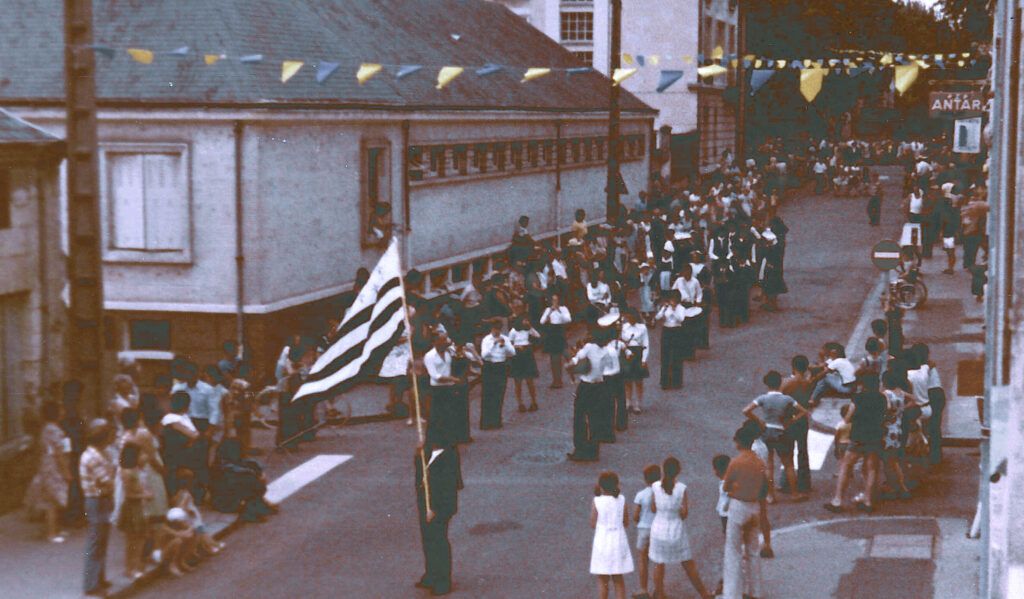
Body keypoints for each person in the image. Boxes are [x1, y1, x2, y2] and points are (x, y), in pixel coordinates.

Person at [648, 456, 712, 599]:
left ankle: (660, 593)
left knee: (658, 564)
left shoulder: (655, 487)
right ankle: (704, 593)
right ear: (678, 471)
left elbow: (653, 508)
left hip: (658, 528)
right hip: (675, 529)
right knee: (687, 563)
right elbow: (684, 514)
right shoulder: (681, 489)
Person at [742, 371, 809, 503]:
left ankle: (770, 496)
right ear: (780, 383)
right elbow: (804, 411)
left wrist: (759, 421)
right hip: (781, 431)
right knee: (788, 464)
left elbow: (746, 410)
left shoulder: (762, 398)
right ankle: (795, 494)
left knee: (769, 466)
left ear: (767, 384)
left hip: (767, 431)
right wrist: (791, 421)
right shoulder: (787, 399)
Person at [825, 376, 886, 513]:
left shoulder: (858, 398)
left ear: (863, 385)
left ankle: (838, 500)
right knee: (871, 469)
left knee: (846, 466)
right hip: (875, 436)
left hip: (858, 436)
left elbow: (848, 418)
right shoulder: (882, 398)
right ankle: (868, 500)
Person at [721, 424, 767, 599]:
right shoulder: (759, 462)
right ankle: (755, 592)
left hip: (739, 506)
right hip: (754, 506)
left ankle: (732, 594)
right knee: (753, 551)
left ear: (739, 442)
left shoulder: (736, 462)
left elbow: (726, 486)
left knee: (733, 551)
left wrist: (734, 489)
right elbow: (764, 487)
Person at [415, 440, 462, 596]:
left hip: (439, 506)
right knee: (428, 538)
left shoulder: (448, 457)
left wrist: (434, 509)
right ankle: (431, 573)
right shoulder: (429, 452)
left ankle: (443, 580)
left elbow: (448, 487)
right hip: (427, 503)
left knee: (438, 540)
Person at [25, 400, 72, 543]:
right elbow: (59, 453)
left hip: (47, 466)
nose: (63, 411)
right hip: (54, 468)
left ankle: (53, 529)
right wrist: (66, 471)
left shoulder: (46, 428)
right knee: (52, 501)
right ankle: (51, 533)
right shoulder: (54, 430)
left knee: (50, 499)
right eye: (61, 409)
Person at [81, 419, 117, 597]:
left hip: (102, 499)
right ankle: (91, 584)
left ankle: (99, 578)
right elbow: (107, 482)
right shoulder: (94, 457)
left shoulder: (101, 453)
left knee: (102, 540)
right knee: (96, 542)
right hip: (97, 500)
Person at [210, 439, 278, 522]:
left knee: (252, 481)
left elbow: (254, 466)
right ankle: (250, 511)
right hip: (226, 502)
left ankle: (257, 504)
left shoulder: (244, 464)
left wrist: (259, 474)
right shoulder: (224, 469)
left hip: (238, 496)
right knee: (250, 483)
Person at [591, 471, 634, 599]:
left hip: (602, 542)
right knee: (618, 579)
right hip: (618, 540)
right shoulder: (622, 500)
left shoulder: (597, 501)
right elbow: (626, 522)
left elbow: (593, 523)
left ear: (601, 486)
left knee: (602, 579)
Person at [567, 333, 609, 462]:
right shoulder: (606, 350)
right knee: (595, 418)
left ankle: (580, 449)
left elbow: (578, 357)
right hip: (600, 386)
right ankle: (593, 451)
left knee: (579, 417)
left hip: (586, 386)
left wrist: (570, 363)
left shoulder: (589, 347)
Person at [117, 443, 152, 580]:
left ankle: (136, 566)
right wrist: (145, 495)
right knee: (132, 540)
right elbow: (129, 494)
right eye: (141, 454)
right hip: (132, 509)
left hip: (140, 507)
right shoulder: (127, 472)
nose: (144, 457)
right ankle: (129, 568)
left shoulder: (137, 470)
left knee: (141, 538)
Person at [780, 355, 814, 492]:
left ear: (793, 367)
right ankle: (804, 483)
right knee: (802, 450)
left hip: (789, 419)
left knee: (788, 453)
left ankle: (787, 482)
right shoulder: (808, 383)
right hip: (802, 419)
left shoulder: (786, 383)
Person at [879, 371, 915, 501]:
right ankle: (897, 486)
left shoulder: (886, 394)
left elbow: (887, 406)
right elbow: (913, 399)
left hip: (888, 430)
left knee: (889, 461)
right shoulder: (900, 392)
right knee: (893, 460)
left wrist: (889, 413)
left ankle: (899, 487)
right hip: (898, 428)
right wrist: (902, 409)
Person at [160, 392, 199, 496]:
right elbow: (192, 435)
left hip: (188, 454)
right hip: (176, 456)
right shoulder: (170, 418)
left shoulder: (185, 417)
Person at [424, 334, 460, 446]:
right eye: (444, 340)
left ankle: (448, 438)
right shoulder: (429, 356)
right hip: (437, 389)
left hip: (449, 387)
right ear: (436, 342)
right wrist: (451, 378)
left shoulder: (449, 353)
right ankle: (433, 439)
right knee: (436, 414)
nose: (447, 342)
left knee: (449, 413)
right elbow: (435, 375)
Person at [479, 320, 515, 430]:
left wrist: (504, 345)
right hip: (489, 367)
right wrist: (494, 344)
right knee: (488, 394)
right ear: (492, 329)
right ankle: (486, 422)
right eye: (495, 329)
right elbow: (484, 355)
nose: (497, 332)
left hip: (501, 366)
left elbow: (512, 353)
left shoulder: (505, 338)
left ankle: (496, 420)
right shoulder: (486, 340)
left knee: (499, 393)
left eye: (499, 329)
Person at [633, 464, 660, 599]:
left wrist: (638, 521)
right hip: (657, 529)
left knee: (643, 559)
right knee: (657, 560)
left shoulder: (641, 494)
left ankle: (643, 588)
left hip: (644, 528)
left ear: (645, 479)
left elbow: (635, 515)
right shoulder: (661, 494)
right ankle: (657, 588)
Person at [509, 315, 541, 413]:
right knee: (518, 381)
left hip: (527, 353)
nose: (526, 321)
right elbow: (509, 343)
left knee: (529, 380)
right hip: (518, 354)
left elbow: (537, 335)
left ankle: (533, 402)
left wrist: (530, 327)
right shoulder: (514, 331)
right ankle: (520, 403)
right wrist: (516, 347)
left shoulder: (528, 330)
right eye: (524, 320)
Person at [540, 294, 572, 389]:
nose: (555, 302)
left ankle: (573, 372)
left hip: (560, 331)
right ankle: (556, 380)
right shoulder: (548, 309)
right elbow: (542, 321)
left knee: (565, 354)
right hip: (552, 332)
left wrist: (558, 311)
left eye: (556, 300)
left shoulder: (564, 309)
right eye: (553, 300)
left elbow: (568, 319)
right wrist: (550, 312)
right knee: (554, 358)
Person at [621, 310, 650, 415]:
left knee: (638, 381)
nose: (631, 320)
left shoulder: (642, 328)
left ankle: (638, 403)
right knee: (627, 380)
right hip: (627, 353)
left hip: (638, 353)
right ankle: (628, 402)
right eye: (629, 318)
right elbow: (621, 341)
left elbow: (646, 344)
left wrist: (644, 359)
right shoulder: (623, 328)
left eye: (632, 318)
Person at [655, 291, 686, 390]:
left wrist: (673, 310)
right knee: (665, 356)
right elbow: (657, 317)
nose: (672, 301)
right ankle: (665, 382)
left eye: (674, 300)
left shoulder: (681, 308)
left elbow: (681, 319)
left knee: (677, 356)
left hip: (677, 331)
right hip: (667, 330)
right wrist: (664, 309)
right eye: (671, 299)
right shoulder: (666, 307)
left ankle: (677, 382)